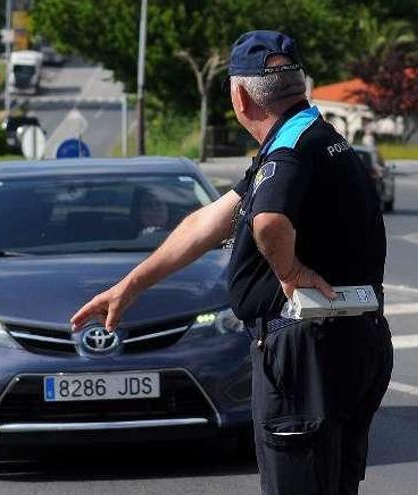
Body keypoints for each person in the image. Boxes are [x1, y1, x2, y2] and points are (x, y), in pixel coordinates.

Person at [71, 30, 392, 495]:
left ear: (240, 96)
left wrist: (289, 272)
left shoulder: (288, 151)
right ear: (300, 83)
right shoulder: (313, 136)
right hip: (351, 340)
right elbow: (209, 222)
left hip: (305, 350)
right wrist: (131, 286)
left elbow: (268, 220)